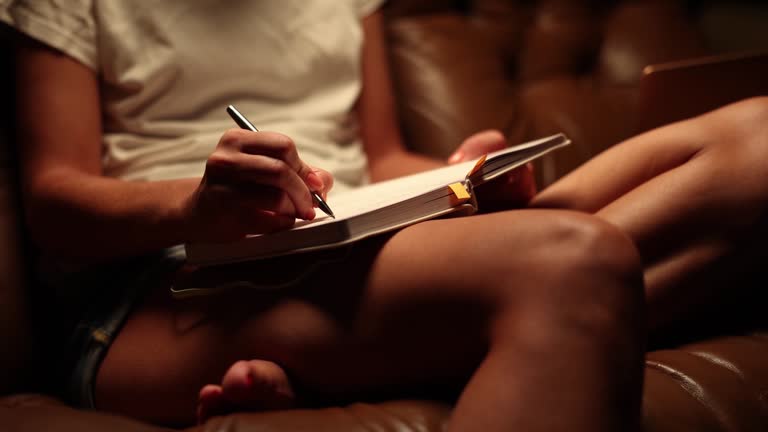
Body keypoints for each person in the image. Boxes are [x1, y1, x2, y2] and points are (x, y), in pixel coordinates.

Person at [3, 1, 766, 430]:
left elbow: (382, 156)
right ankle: (501, 307)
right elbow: (53, 203)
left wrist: (458, 180)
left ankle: (454, 322)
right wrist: (195, 207)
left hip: (347, 231)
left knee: (756, 143)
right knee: (573, 261)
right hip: (162, 286)